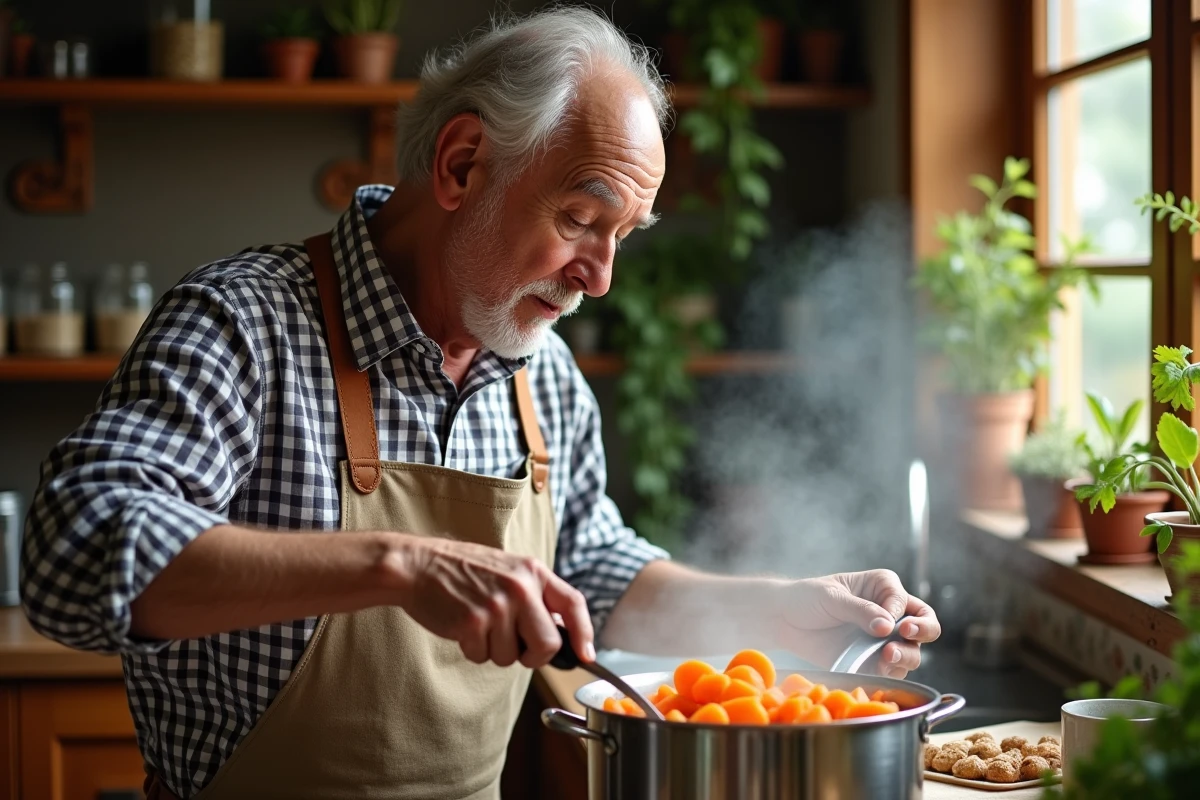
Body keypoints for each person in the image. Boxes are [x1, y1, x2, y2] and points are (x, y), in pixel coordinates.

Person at [20, 8, 940, 799]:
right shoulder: (245, 324)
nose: (601, 276)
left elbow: (596, 577)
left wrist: (777, 610)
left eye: (622, 236)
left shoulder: (544, 373)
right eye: (581, 219)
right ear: (462, 165)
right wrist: (397, 563)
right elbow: (72, 554)